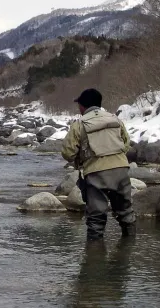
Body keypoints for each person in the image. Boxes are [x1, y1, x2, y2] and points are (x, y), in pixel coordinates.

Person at [61, 88, 136, 240]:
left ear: (83, 106)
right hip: (121, 170)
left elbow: (67, 153)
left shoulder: (79, 124)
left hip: (96, 174)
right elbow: (126, 143)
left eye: (79, 105)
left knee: (96, 219)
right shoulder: (115, 119)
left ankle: (94, 259)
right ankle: (129, 249)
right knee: (126, 213)